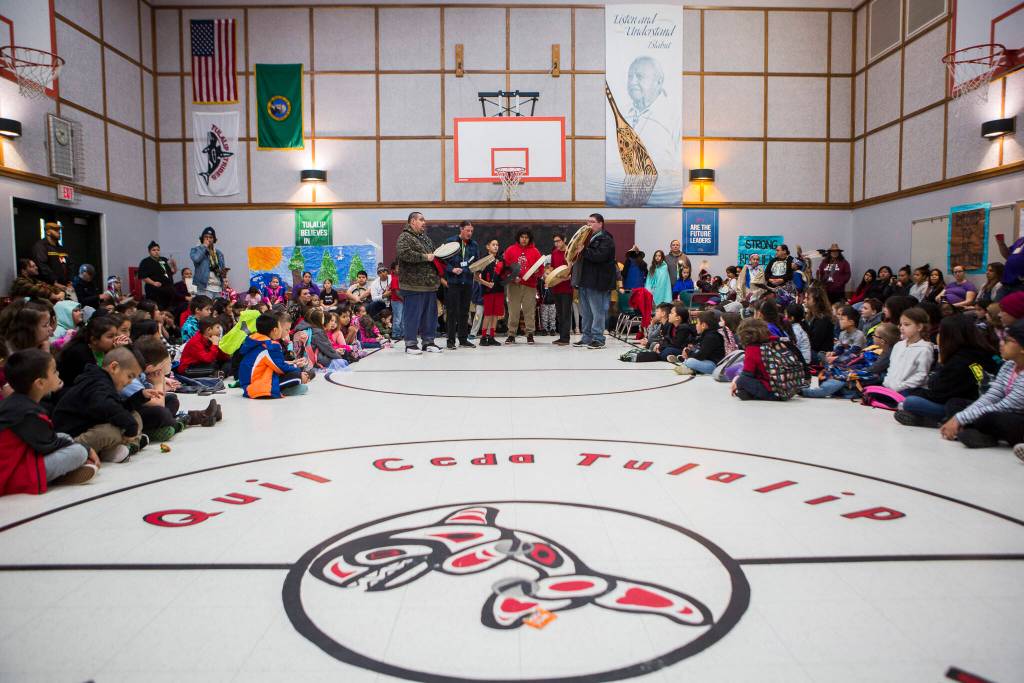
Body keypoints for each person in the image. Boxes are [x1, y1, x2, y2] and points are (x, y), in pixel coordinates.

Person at [1, 349, 99, 494]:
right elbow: (50, 445)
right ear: (40, 383)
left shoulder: (17, 403)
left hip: (19, 458)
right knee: (78, 452)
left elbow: (48, 440)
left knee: (64, 437)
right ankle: (57, 476)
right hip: (13, 474)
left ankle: (62, 473)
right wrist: (86, 449)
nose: (58, 374)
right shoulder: (29, 412)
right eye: (54, 371)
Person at [894, 314, 998, 428]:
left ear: (949, 336)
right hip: (976, 403)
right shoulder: (983, 352)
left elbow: (937, 391)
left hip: (963, 406)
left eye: (940, 332)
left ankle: (937, 421)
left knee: (910, 401)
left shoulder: (959, 360)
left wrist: (940, 361)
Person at [53, 347, 149, 463]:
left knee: (134, 415)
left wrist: (140, 396)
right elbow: (106, 406)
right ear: (114, 367)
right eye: (130, 376)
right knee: (110, 432)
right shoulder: (97, 384)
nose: (130, 382)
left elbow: (118, 408)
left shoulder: (105, 382)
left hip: (89, 427)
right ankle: (113, 450)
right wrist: (131, 426)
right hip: (71, 440)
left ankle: (124, 446)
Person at [939, 320, 1024, 450]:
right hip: (1003, 411)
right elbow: (991, 396)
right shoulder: (1009, 366)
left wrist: (961, 418)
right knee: (956, 403)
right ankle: (980, 435)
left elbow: (1007, 406)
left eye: (1007, 341)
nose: (1001, 344)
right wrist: (960, 416)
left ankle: (968, 430)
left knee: (993, 418)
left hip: (1014, 416)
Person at [623, 56, 680, 177]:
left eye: (639, 76)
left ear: (659, 81)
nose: (632, 82)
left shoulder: (675, 117)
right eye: (630, 77)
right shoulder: (622, 113)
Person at [396, 212, 442, 355]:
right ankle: (410, 344)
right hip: (413, 285)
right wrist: (424, 257)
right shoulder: (404, 237)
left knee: (430, 316)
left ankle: (428, 342)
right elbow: (404, 254)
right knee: (412, 315)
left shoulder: (426, 239)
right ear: (412, 221)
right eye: (421, 220)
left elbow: (434, 256)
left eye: (424, 220)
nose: (424, 222)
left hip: (429, 285)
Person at [238, 313, 311, 397]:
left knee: (296, 373)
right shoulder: (270, 346)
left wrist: (294, 364)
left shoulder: (256, 340)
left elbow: (275, 364)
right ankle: (285, 390)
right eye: (281, 327)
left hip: (250, 382)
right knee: (296, 375)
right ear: (275, 330)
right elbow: (280, 367)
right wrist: (297, 369)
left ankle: (291, 386)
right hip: (255, 386)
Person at [573, 214, 617, 349]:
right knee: (585, 312)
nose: (589, 224)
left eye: (592, 222)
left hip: (598, 282)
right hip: (585, 281)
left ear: (600, 224)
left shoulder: (606, 239)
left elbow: (600, 256)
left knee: (597, 312)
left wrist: (584, 251)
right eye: (588, 221)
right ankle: (586, 337)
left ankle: (598, 338)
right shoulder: (587, 238)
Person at [440, 221, 479, 349]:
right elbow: (441, 261)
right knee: (452, 312)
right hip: (453, 283)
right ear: (461, 229)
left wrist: (478, 268)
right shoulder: (450, 242)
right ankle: (450, 341)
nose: (470, 233)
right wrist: (452, 269)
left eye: (471, 231)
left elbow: (476, 262)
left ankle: (463, 339)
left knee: (464, 312)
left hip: (467, 282)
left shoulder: (474, 244)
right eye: (467, 230)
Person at [502, 229, 543, 345]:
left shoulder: (535, 251)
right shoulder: (510, 250)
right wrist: (511, 277)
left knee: (529, 311)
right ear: (518, 238)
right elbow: (504, 267)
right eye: (522, 237)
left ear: (529, 239)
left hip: (530, 285)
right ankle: (511, 334)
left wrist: (535, 274)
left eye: (526, 237)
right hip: (514, 285)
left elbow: (540, 269)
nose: (524, 239)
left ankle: (530, 334)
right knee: (513, 310)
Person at [883, 307, 934, 394]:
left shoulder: (925, 349)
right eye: (901, 324)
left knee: (909, 401)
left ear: (919, 327)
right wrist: (887, 383)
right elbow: (891, 367)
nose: (902, 328)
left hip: (909, 390)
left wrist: (901, 387)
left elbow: (921, 375)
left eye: (906, 324)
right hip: (891, 387)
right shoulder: (898, 345)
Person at [731, 318, 776, 401]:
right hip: (787, 386)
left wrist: (737, 382)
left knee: (742, 380)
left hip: (773, 391)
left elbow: (747, 375)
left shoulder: (752, 349)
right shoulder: (774, 341)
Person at [675, 310, 726, 375]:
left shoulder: (711, 337)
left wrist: (689, 353)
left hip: (713, 365)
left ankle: (690, 367)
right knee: (690, 359)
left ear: (703, 325)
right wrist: (690, 350)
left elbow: (701, 355)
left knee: (690, 361)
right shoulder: (707, 334)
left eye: (697, 323)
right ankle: (691, 368)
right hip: (706, 361)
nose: (696, 325)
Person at [30, 221, 73, 287]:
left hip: (65, 285)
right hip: (50, 286)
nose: (59, 232)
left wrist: (69, 280)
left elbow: (69, 265)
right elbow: (42, 265)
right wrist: (53, 281)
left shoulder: (61, 248)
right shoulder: (40, 246)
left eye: (59, 230)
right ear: (48, 232)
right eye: (55, 230)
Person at [548, 234, 574, 346]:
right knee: (559, 314)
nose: (556, 243)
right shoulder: (554, 253)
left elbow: (572, 269)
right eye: (555, 241)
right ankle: (561, 337)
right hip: (556, 287)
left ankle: (565, 338)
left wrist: (568, 275)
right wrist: (549, 273)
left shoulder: (570, 252)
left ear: (564, 240)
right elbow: (553, 268)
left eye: (558, 241)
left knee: (566, 314)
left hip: (567, 288)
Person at [137, 241, 177, 310]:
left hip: (168, 291)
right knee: (157, 309)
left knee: (168, 310)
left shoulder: (164, 260)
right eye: (154, 250)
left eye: (158, 250)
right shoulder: (145, 262)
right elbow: (143, 276)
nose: (156, 251)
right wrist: (153, 283)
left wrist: (174, 265)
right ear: (149, 252)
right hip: (155, 291)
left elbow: (172, 272)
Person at [190, 226, 227, 298]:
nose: (208, 239)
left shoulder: (219, 253)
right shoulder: (196, 250)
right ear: (202, 239)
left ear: (214, 239)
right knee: (206, 308)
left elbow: (222, 268)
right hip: (204, 288)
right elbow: (196, 259)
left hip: (218, 288)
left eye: (210, 237)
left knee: (217, 309)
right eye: (206, 237)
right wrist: (204, 246)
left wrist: (224, 276)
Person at [994, 231, 1024, 298]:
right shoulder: (1020, 241)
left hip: (1020, 285)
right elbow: (1008, 255)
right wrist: (1001, 243)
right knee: (996, 307)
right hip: (1007, 282)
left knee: (1015, 307)